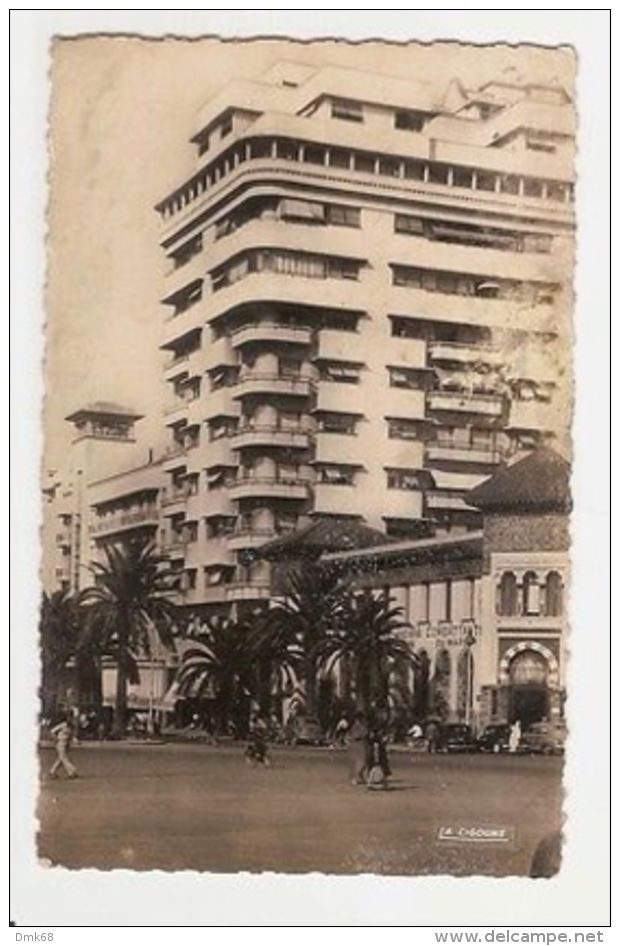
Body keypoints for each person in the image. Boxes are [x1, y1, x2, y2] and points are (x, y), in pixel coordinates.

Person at [348, 711, 369, 785]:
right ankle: (354, 778)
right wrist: (363, 733)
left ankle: (360, 776)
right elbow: (354, 736)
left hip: (363, 745)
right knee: (359, 762)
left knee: (365, 762)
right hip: (357, 746)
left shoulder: (363, 726)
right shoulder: (355, 726)